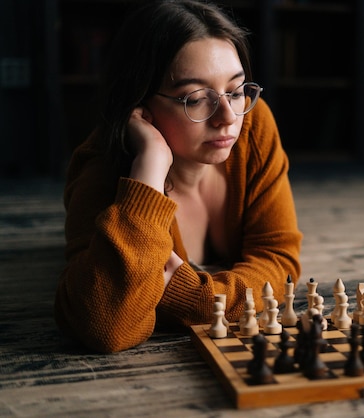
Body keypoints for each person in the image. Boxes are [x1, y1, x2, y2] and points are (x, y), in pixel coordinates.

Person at [54, 0, 302, 353]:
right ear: (139, 103)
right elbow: (106, 325)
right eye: (195, 98)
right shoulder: (102, 166)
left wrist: (195, 297)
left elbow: (279, 262)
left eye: (235, 90)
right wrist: (150, 166)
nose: (228, 117)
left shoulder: (254, 124)